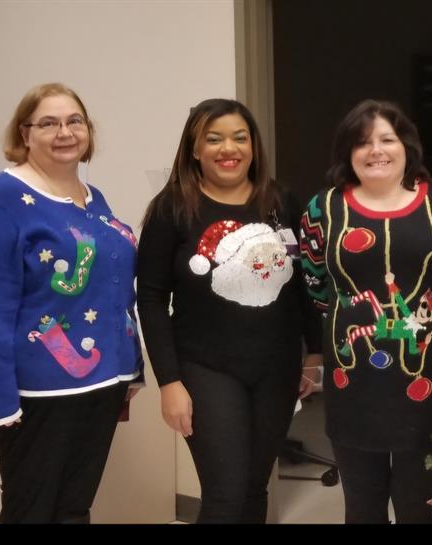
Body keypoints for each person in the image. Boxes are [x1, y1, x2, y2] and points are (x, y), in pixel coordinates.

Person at [0, 83, 143, 524]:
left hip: (99, 384)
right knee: (31, 511)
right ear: (25, 134)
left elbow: (111, 288)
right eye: (48, 123)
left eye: (74, 121)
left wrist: (130, 366)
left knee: (74, 509)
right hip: (37, 393)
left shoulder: (93, 200)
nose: (64, 132)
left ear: (88, 131)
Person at [137, 98, 322, 523]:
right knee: (225, 494)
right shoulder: (173, 208)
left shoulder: (282, 202)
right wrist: (170, 382)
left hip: (275, 368)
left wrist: (313, 354)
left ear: (253, 147)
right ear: (195, 149)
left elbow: (303, 286)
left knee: (255, 490)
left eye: (240, 138)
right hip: (206, 368)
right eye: (214, 139)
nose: (228, 149)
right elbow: (149, 298)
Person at [300, 99, 432, 524]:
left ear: (406, 146)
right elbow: (313, 280)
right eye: (362, 143)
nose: (375, 150)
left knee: (420, 509)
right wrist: (358, 321)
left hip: (424, 380)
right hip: (354, 387)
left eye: (386, 139)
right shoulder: (323, 210)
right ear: (348, 152)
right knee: (362, 508)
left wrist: (429, 322)